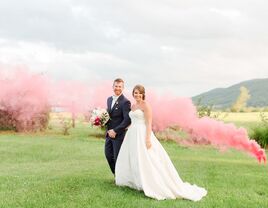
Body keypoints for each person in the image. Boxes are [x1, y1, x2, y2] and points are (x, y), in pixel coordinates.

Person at [115, 84, 207, 201]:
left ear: (143, 94)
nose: (137, 95)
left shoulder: (146, 106)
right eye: (135, 93)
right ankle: (136, 181)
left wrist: (147, 139)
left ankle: (152, 183)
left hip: (142, 133)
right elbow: (132, 121)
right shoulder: (133, 106)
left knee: (147, 158)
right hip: (132, 134)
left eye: (139, 93)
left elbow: (148, 123)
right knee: (134, 157)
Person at [105, 78, 131, 175]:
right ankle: (117, 175)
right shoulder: (109, 99)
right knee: (108, 155)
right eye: (116, 86)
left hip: (118, 135)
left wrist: (115, 131)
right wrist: (99, 120)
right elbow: (108, 115)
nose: (117, 88)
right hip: (108, 134)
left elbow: (127, 120)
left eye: (120, 86)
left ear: (123, 88)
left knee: (117, 157)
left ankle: (120, 177)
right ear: (113, 87)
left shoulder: (125, 102)